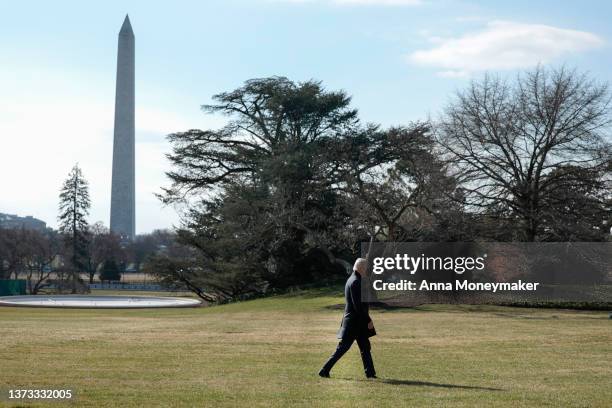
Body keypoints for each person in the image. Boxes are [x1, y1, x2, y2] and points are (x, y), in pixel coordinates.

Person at [319, 258, 377, 378]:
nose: (367, 270)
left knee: (365, 348)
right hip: (354, 323)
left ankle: (370, 373)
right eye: (366, 268)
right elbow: (358, 306)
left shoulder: (354, 279)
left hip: (357, 323)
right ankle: (324, 370)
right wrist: (368, 320)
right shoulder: (356, 282)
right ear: (361, 268)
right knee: (343, 348)